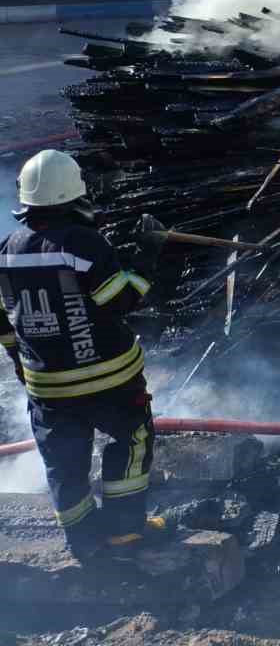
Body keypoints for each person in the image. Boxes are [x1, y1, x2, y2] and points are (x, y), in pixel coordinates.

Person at [0, 149, 164, 562]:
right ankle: (125, 533)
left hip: (47, 388)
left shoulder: (7, 249)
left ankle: (84, 542)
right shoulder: (84, 244)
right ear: (75, 194)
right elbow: (122, 300)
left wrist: (20, 362)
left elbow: (3, 322)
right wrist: (148, 253)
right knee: (132, 439)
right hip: (109, 380)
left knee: (63, 463)